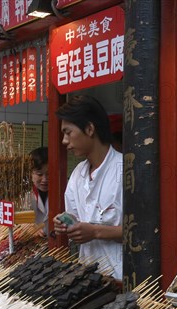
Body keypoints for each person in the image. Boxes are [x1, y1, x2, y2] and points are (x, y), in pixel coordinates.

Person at [53, 95, 123, 279]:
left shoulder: (125, 171)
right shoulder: (78, 173)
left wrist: (95, 232)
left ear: (90, 129)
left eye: (68, 132)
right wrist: (65, 222)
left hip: (119, 278)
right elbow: (74, 216)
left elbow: (142, 233)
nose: (64, 141)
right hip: (89, 276)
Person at [29, 147, 49, 236]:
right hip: (30, 243)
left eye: (49, 173)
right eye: (39, 174)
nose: (45, 179)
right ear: (30, 173)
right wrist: (26, 228)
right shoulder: (23, 193)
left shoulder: (64, 190)